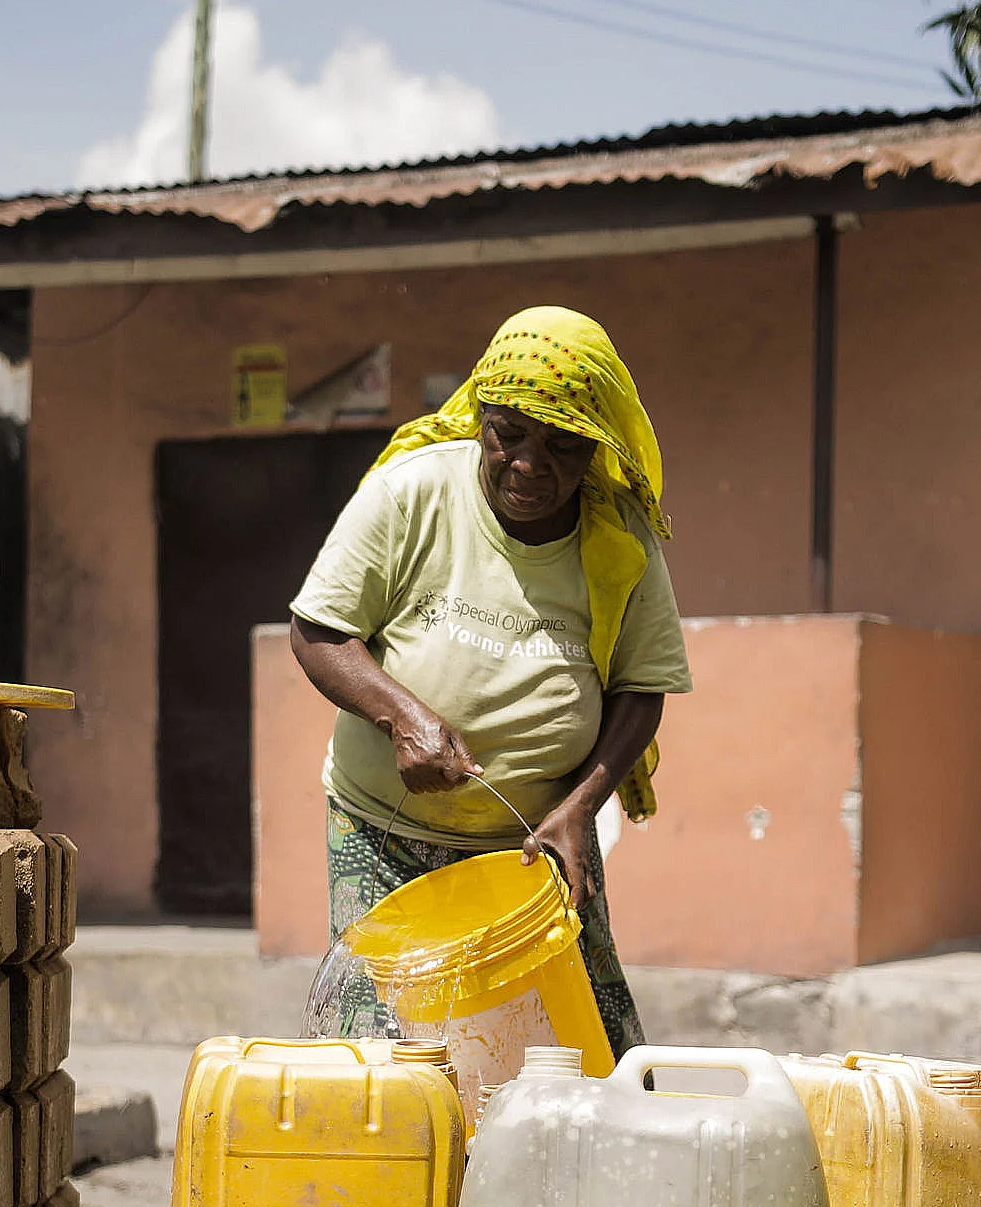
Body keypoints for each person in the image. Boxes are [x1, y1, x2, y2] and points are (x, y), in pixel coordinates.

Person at [288, 306, 691, 1054]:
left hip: (539, 848)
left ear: (596, 449)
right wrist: (403, 717)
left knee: (570, 1056)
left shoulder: (619, 536)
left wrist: (579, 809)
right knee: (396, 1061)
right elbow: (319, 631)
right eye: (510, 433)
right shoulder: (412, 492)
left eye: (562, 444)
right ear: (480, 419)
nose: (531, 465)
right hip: (384, 838)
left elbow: (642, 689)